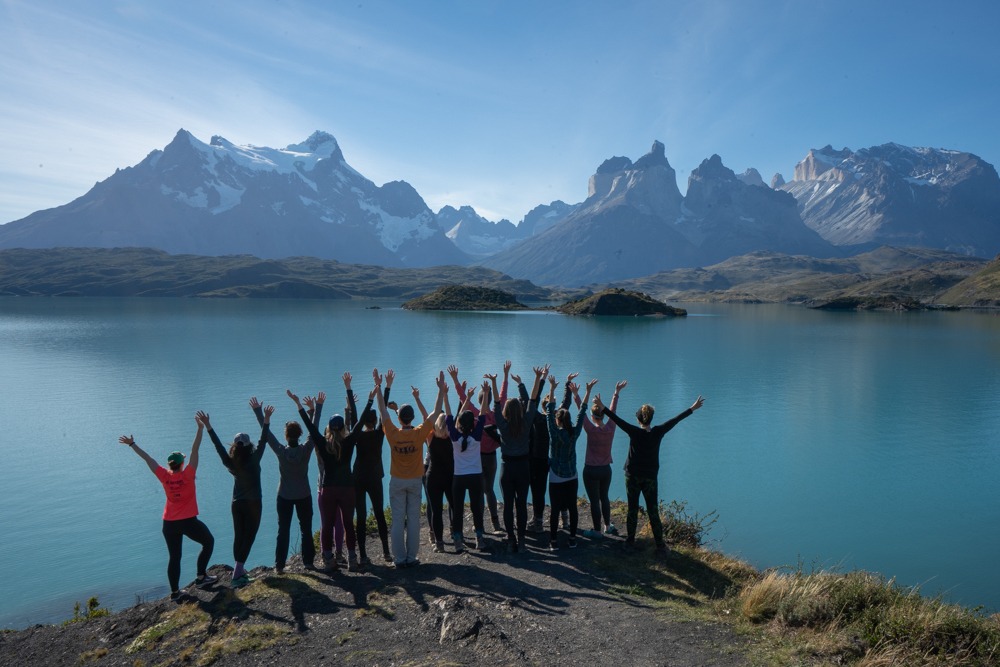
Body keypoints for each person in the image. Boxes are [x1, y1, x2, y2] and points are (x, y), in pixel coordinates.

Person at [119, 416, 218, 602]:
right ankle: (201, 577)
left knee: (174, 557)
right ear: (182, 463)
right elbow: (195, 449)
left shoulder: (164, 476)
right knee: (208, 542)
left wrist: (132, 445)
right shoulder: (188, 474)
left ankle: (175, 592)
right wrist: (200, 429)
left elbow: (148, 459)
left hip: (169, 524)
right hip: (188, 521)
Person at [594, 393, 705, 554]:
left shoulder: (633, 431)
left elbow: (617, 420)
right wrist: (692, 408)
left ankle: (630, 541)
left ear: (638, 419)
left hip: (631, 476)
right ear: (650, 419)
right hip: (650, 478)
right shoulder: (658, 431)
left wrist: (603, 407)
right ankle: (660, 545)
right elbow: (676, 420)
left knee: (632, 508)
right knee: (653, 510)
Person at [375, 368, 444, 568]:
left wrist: (380, 387)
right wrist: (440, 390)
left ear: (399, 419)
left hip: (397, 480)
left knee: (397, 521)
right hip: (415, 480)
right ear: (413, 418)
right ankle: (411, 558)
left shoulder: (392, 433)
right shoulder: (420, 432)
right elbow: (436, 412)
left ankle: (399, 559)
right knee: (413, 520)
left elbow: (382, 410)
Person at [250, 393, 319, 574]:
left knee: (283, 530)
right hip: (304, 494)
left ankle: (279, 566)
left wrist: (260, 413)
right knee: (306, 530)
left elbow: (267, 435)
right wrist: (314, 409)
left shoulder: (281, 451)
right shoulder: (306, 449)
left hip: (285, 496)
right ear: (299, 435)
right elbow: (313, 430)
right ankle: (309, 563)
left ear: (286, 436)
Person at [202, 408, 267, 588]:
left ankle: (239, 569)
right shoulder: (254, 459)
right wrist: (266, 420)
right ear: (248, 445)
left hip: (236, 504)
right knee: (250, 536)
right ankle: (238, 573)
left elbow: (218, 447)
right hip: (253, 503)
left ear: (235, 446)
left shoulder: (230, 462)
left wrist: (209, 426)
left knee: (239, 536)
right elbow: (263, 441)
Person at [490, 363, 547, 552]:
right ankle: (521, 541)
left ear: (506, 412)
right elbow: (532, 400)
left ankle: (510, 539)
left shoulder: (502, 425)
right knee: (521, 504)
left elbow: (497, 404)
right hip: (523, 468)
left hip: (507, 469)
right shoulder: (526, 422)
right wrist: (538, 378)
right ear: (520, 411)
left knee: (508, 505)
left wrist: (494, 382)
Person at [448, 364, 504, 533]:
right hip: (492, 458)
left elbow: (461, 397)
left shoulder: (473, 414)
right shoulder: (496, 416)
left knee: (478, 492)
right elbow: (502, 396)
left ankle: (479, 524)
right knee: (489, 490)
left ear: (479, 401)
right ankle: (495, 522)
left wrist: (456, 380)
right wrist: (502, 379)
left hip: (477, 458)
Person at [545, 376, 592, 551]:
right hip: (572, 474)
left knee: (555, 509)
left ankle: (554, 541)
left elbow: (549, 411)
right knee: (572, 508)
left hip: (556, 475)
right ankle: (572, 539)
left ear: (557, 421)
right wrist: (586, 392)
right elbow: (582, 412)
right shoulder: (574, 433)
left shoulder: (554, 433)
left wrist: (551, 388)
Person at [577, 379, 627, 537]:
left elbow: (581, 412)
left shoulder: (590, 429)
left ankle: (597, 531)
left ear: (592, 417)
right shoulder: (611, 428)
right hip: (606, 470)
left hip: (590, 470)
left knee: (594, 500)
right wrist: (616, 393)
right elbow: (613, 412)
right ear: (603, 415)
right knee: (604, 497)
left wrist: (577, 394)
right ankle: (607, 526)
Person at [353, 371, 392, 565]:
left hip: (358, 478)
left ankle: (363, 555)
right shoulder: (379, 435)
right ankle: (386, 552)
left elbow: (354, 420)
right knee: (379, 514)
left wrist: (349, 391)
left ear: (363, 422)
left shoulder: (357, 435)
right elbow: (384, 412)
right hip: (375, 478)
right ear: (375, 422)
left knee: (360, 517)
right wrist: (384, 387)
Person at [447, 380, 490, 553]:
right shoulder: (477, 436)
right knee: (476, 508)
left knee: (457, 510)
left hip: (459, 478)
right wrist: (485, 393)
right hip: (475, 477)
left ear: (459, 424)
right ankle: (479, 539)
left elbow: (451, 416)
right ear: (472, 424)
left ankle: (458, 540)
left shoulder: (454, 438)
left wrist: (444, 394)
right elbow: (483, 413)